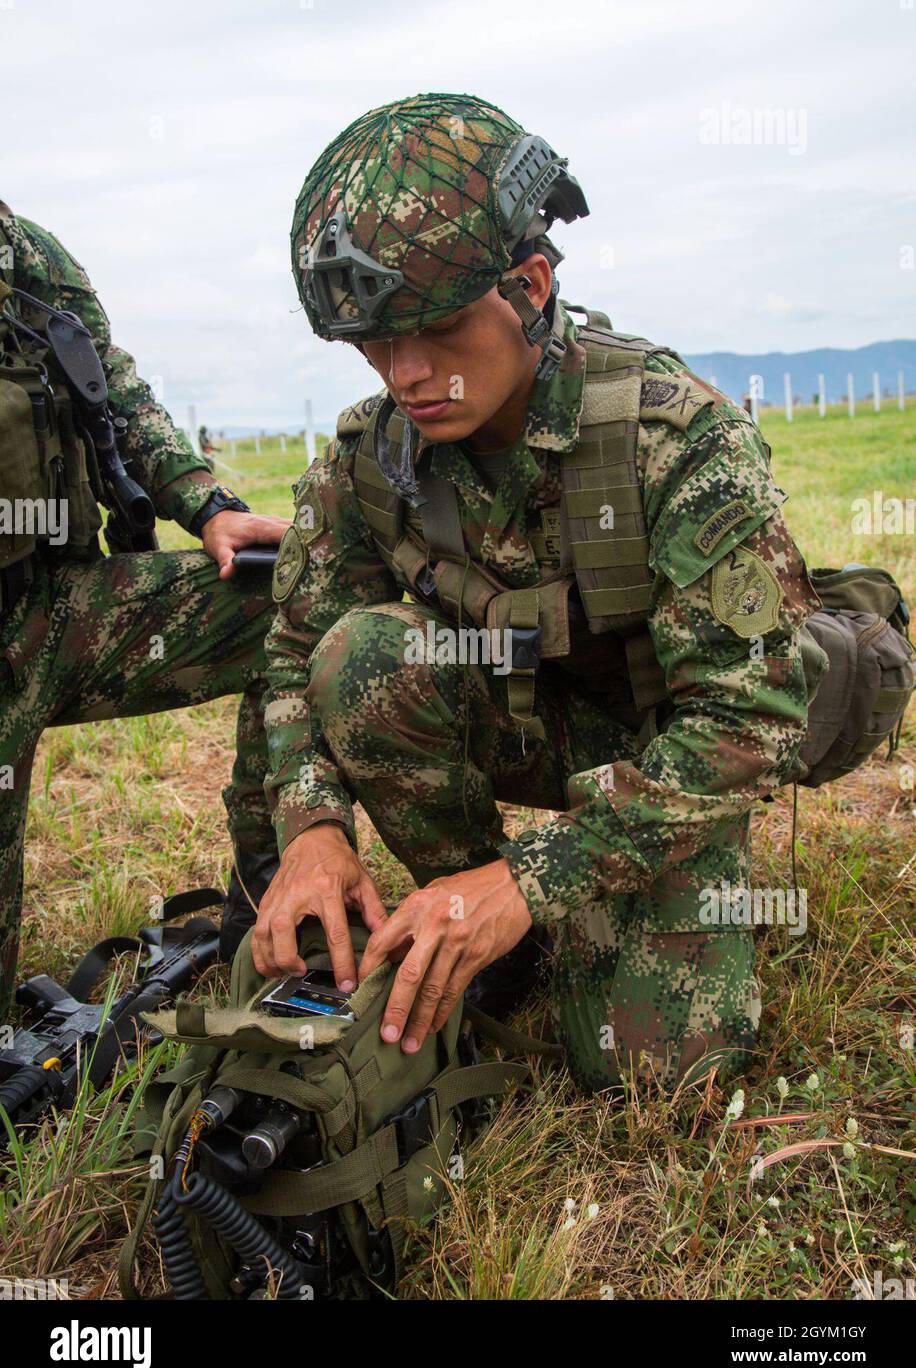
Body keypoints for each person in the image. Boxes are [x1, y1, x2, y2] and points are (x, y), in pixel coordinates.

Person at [251, 93, 820, 1093]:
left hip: (664, 760)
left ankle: (513, 905)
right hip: (522, 728)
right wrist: (312, 829)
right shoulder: (367, 456)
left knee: (651, 1070)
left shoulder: (675, 440)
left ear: (528, 285)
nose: (408, 374)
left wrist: (529, 878)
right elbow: (296, 655)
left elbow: (750, 716)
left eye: (433, 330)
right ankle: (481, 931)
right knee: (364, 655)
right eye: (374, 348)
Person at [0, 199, 286, 1013]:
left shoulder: (21, 251)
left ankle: (269, 916)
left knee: (288, 597)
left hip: (51, 613)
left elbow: (112, 393)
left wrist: (207, 504)